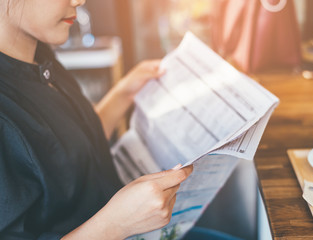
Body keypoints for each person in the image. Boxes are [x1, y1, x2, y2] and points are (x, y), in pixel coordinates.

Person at [0, 0, 193, 239]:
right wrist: (115, 224)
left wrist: (123, 94)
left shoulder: (38, 52)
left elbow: (65, 153)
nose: (79, 0)